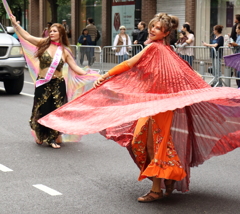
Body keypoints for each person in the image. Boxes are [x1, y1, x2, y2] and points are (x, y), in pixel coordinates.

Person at [39, 13, 240, 202]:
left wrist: (107, 76)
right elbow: (178, 73)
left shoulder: (155, 49)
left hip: (160, 106)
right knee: (147, 141)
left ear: (166, 33)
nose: (152, 30)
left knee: (153, 144)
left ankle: (156, 189)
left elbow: (129, 63)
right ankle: (167, 179)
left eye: (157, 28)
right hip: (156, 105)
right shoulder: (165, 50)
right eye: (152, 27)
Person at [10, 14, 88, 149]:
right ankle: (41, 133)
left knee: (56, 110)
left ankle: (52, 137)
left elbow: (75, 68)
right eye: (50, 31)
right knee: (42, 109)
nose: (51, 33)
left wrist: (93, 75)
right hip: (43, 83)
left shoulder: (65, 51)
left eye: (54, 31)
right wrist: (16, 25)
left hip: (58, 84)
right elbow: (27, 37)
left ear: (61, 34)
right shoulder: (43, 44)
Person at [228, 23, 240, 87]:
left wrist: (235, 44)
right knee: (237, 72)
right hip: (237, 56)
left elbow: (238, 45)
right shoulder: (238, 36)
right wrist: (232, 44)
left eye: (237, 28)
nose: (236, 29)